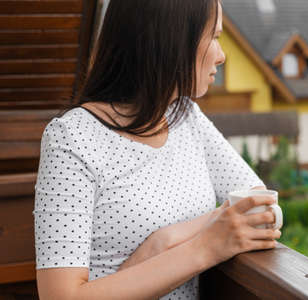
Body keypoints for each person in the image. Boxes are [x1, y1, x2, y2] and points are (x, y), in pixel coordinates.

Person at [33, 0, 281, 299]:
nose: (221, 55)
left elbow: (259, 205)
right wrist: (205, 246)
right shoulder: (72, 137)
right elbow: (60, 297)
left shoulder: (185, 116)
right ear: (171, 39)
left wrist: (166, 239)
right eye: (214, 38)